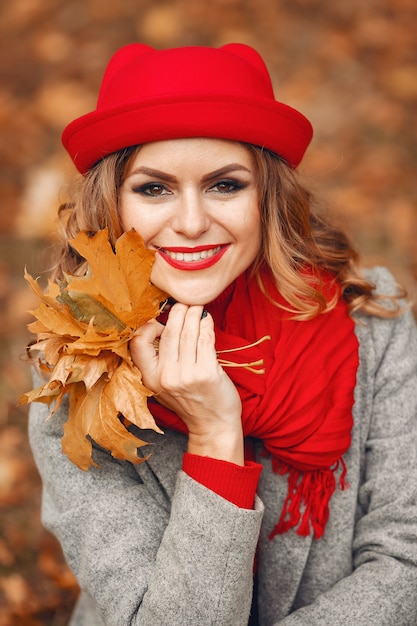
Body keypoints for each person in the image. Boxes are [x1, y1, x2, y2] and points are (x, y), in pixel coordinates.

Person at [27, 43, 417, 626]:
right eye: (153, 188)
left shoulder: (372, 321)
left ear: (269, 199)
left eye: (225, 185)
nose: (189, 222)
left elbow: (404, 560)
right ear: (110, 205)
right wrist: (213, 433)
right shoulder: (76, 370)